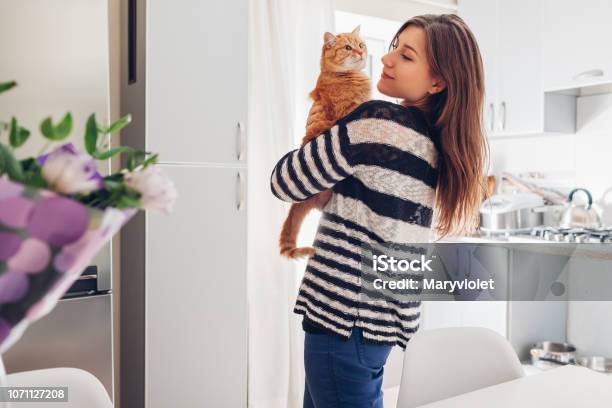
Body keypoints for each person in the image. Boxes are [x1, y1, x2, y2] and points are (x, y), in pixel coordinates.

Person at [270, 14, 489, 408]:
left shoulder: (378, 121)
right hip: (378, 327)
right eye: (392, 48)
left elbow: (285, 181)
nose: (386, 60)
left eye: (406, 56)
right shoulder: (434, 142)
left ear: (438, 81)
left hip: (342, 320)